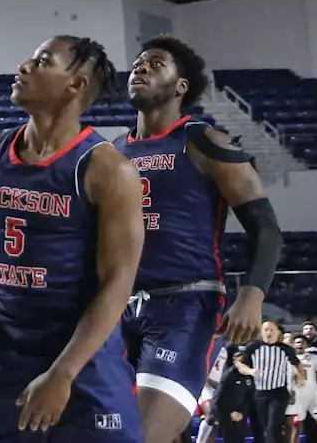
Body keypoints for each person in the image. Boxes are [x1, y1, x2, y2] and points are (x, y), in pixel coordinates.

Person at [0, 36, 144, 442]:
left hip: (82, 363)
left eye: (41, 61)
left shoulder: (109, 170)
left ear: (75, 84)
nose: (24, 66)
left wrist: (64, 373)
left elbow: (118, 282)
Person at [118, 35, 282, 442]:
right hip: (119, 308)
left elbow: (265, 227)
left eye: (155, 64)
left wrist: (252, 294)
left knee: (140, 437)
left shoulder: (205, 141)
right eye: (138, 63)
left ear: (181, 86)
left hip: (185, 305)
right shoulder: (114, 151)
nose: (140, 68)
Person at [237, 321, 302, 443]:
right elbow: (241, 366)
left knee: (273, 427)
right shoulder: (253, 347)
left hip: (279, 392)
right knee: (266, 427)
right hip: (260, 392)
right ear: (261, 332)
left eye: (272, 330)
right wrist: (251, 371)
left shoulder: (286, 349)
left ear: (278, 332)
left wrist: (301, 377)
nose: (269, 333)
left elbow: (298, 365)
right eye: (266, 330)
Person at [287, 334, 317, 443]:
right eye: (297, 342)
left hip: (313, 396)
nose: (300, 344)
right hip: (296, 397)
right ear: (293, 345)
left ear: (306, 345)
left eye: (302, 342)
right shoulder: (288, 359)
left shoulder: (315, 358)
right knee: (296, 429)